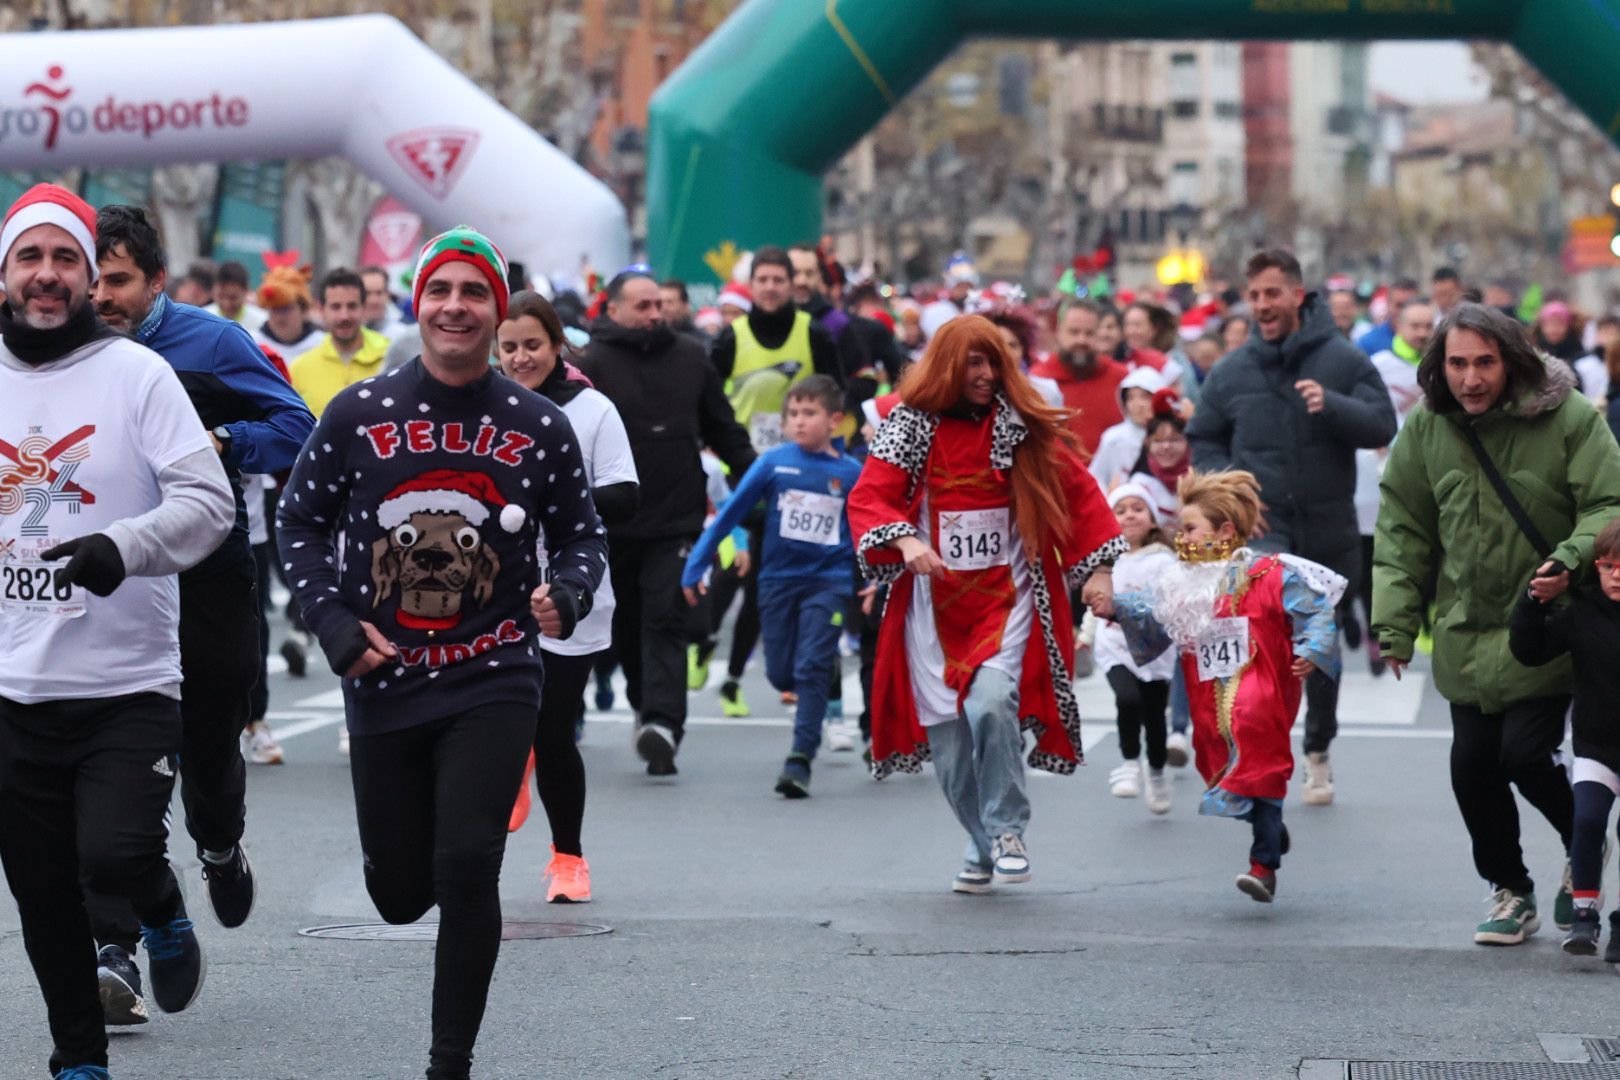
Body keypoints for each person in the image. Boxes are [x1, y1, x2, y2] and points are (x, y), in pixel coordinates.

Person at [277, 226, 608, 1079]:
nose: (455, 307)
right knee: (397, 896)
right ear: (417, 304)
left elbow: (582, 539)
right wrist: (338, 628)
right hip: (384, 676)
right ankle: (413, 863)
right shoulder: (360, 412)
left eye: (473, 293)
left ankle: (448, 1062)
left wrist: (564, 596)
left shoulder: (540, 423)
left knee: (469, 866)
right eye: (440, 291)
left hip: (493, 673)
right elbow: (299, 524)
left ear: (498, 312)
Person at [0, 183, 235, 1080]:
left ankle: (162, 907)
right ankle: (79, 1059)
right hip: (14, 686)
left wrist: (122, 548)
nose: (49, 277)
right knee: (44, 894)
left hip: (126, 682)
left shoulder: (138, 375)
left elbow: (207, 503)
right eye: (32, 258)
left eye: (67, 259)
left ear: (91, 276)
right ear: (6, 274)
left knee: (115, 849)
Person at [88, 204, 315, 1022]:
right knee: (114, 762)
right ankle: (113, 950)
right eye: (93, 278)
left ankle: (218, 843)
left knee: (208, 744)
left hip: (206, 577)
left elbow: (298, 427)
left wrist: (222, 447)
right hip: (106, 586)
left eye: (118, 281)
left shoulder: (210, 344)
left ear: (155, 280)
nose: (101, 295)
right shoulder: (64, 351)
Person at [848, 315, 1125, 893]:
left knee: (993, 704)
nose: (986, 373)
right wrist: (905, 539)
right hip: (932, 611)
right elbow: (870, 497)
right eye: (974, 362)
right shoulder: (911, 424)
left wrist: (1099, 572)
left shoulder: (1020, 427)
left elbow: (1080, 496)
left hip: (1007, 602)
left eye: (994, 360)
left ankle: (1006, 831)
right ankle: (979, 845)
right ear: (948, 365)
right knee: (949, 755)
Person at [1373, 302, 1620, 946]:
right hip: (1465, 626)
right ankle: (1510, 888)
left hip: (1547, 622)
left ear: (1511, 360)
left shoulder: (1565, 417)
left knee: (1523, 751)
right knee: (1471, 765)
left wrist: (1569, 559)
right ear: (1439, 365)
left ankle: (1582, 849)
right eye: (1458, 363)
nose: (1471, 378)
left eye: (1485, 362)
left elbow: (1608, 503)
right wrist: (1394, 623)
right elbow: (1402, 527)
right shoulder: (1426, 427)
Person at [1188, 249, 1397, 807]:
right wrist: (1226, 496)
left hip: (1330, 528)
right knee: (1264, 643)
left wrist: (1331, 405)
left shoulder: (1342, 359)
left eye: (1272, 293)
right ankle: (1261, 752)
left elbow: (1382, 422)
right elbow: (1203, 436)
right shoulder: (1232, 370)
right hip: (1264, 529)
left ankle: (1319, 748)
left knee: (1319, 649)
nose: (1262, 305)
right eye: (1254, 294)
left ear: (1298, 296)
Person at [1106, 470, 1344, 904]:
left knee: (1256, 739)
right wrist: (1113, 606)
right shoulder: (1182, 581)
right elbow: (1153, 613)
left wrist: (1312, 647)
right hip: (1207, 694)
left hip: (1263, 683)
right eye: (1180, 527)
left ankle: (1263, 864)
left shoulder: (1269, 572)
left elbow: (1315, 608)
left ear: (1225, 531)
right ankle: (1267, 823)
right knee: (1223, 762)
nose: (1181, 535)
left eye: (1190, 527)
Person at [577, 269, 755, 776]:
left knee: (664, 618)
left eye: (659, 305)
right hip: (611, 521)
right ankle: (643, 703)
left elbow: (724, 429)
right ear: (612, 310)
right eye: (643, 306)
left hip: (676, 519)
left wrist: (758, 479)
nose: (656, 314)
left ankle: (662, 724)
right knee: (626, 627)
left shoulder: (691, 357)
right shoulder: (592, 364)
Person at [495, 291, 638, 904]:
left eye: (533, 345)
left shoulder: (593, 410)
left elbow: (626, 496)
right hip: (493, 589)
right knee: (493, 722)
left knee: (554, 729)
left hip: (570, 591)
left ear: (558, 346)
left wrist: (552, 505)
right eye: (510, 347)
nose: (522, 357)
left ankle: (568, 859)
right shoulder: (484, 406)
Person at [682, 375, 862, 797]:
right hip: (779, 579)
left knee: (811, 665)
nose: (799, 422)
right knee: (783, 674)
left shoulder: (851, 473)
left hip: (829, 581)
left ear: (834, 421)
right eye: (793, 414)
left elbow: (867, 530)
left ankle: (800, 757)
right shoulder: (773, 463)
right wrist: (696, 564)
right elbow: (729, 514)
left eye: (809, 413)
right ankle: (816, 684)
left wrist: (870, 579)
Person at [1509, 515, 1620, 959]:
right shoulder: (1584, 614)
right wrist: (1532, 602)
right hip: (1597, 746)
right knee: (1587, 822)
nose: (1617, 575)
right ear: (1597, 567)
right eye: (1609, 565)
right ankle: (1584, 915)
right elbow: (1530, 650)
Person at [1093, 484, 1176, 811]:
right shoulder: (1104, 560)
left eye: (1138, 508)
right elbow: (1094, 598)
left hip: (1155, 650)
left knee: (1155, 716)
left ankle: (1155, 770)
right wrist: (1085, 634)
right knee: (1127, 699)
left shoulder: (1164, 561)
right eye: (1121, 509)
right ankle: (1129, 762)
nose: (1129, 514)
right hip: (1114, 645)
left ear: (1153, 519)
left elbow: (1171, 601)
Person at [711, 246, 842, 452]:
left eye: (778, 280)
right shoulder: (729, 339)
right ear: (750, 285)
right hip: (743, 462)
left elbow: (836, 394)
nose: (770, 287)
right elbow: (711, 402)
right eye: (762, 280)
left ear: (791, 285)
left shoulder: (815, 334)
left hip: (804, 458)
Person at [1028, 299, 1129, 457]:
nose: (1081, 340)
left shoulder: (1121, 379)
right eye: (1074, 332)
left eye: (1089, 333)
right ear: (1059, 331)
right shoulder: (1038, 381)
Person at [288, 267, 391, 418]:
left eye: (352, 306)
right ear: (321, 310)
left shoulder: (389, 356)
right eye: (336, 307)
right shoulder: (299, 369)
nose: (344, 316)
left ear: (363, 307)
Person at [1088, 369, 1168, 492]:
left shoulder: (1173, 435)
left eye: (1145, 397)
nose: (1138, 404)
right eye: (1130, 398)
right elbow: (1096, 477)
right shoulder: (1114, 438)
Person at [251, 265, 325, 358]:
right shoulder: (253, 345)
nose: (280, 316)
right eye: (274, 309)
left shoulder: (322, 344)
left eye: (286, 309)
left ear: (304, 311)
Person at [1355, 277, 1419, 357]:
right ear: (1388, 305)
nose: (1404, 312)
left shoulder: (1430, 342)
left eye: (1410, 305)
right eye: (1399, 305)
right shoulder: (1368, 343)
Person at [203, 261, 265, 328]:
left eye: (233, 298)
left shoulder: (261, 322)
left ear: (246, 291)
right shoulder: (203, 318)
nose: (226, 304)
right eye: (221, 296)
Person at [361, 264, 407, 341]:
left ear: (387, 294)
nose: (373, 300)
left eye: (379, 293)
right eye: (367, 293)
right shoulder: (346, 335)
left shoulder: (401, 336)